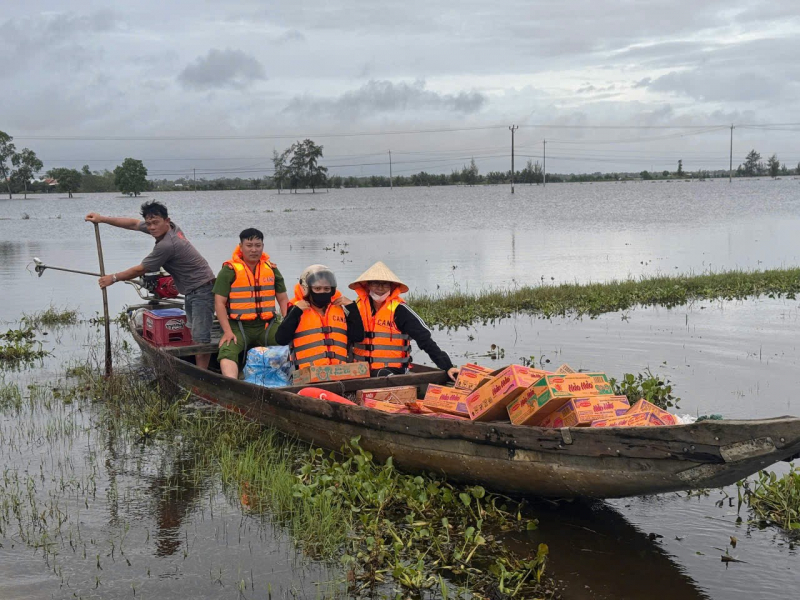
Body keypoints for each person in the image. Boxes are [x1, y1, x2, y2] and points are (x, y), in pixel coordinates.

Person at [85, 201, 216, 369]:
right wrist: (102, 219)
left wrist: (114, 278)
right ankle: (196, 367)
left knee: (200, 337)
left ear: (167, 221)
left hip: (202, 289)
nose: (152, 227)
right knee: (193, 331)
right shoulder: (170, 228)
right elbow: (133, 224)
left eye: (156, 223)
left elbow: (141, 269)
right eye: (149, 224)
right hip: (192, 290)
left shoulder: (167, 245)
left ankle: (200, 375)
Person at [349, 261, 459, 380]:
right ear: (368, 285)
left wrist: (447, 366)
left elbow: (424, 339)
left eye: (385, 284)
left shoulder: (400, 310)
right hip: (359, 370)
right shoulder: (356, 308)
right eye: (376, 284)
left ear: (391, 287)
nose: (380, 288)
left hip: (393, 371)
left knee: (382, 375)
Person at [214, 228, 289, 379]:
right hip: (239, 325)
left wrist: (286, 324)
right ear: (241, 247)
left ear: (262, 246)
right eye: (249, 245)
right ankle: (232, 384)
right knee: (227, 350)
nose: (254, 249)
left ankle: (294, 379)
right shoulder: (229, 270)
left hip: (267, 325)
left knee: (289, 344)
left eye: (258, 245)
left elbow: (282, 298)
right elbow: (219, 303)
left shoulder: (272, 269)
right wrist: (227, 331)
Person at [275, 265, 364, 370]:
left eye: (327, 289)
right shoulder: (297, 310)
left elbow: (358, 337)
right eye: (317, 288)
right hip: (307, 374)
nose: (322, 292)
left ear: (332, 290)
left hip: (339, 372)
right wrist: (295, 312)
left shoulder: (341, 309)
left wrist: (352, 308)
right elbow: (281, 339)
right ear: (307, 288)